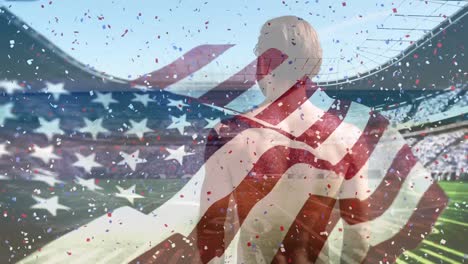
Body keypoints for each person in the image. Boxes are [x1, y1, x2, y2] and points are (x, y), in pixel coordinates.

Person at [132, 15, 444, 264]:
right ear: (313, 64)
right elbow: (361, 240)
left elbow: (211, 236)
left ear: (266, 63)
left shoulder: (231, 135)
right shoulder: (349, 133)